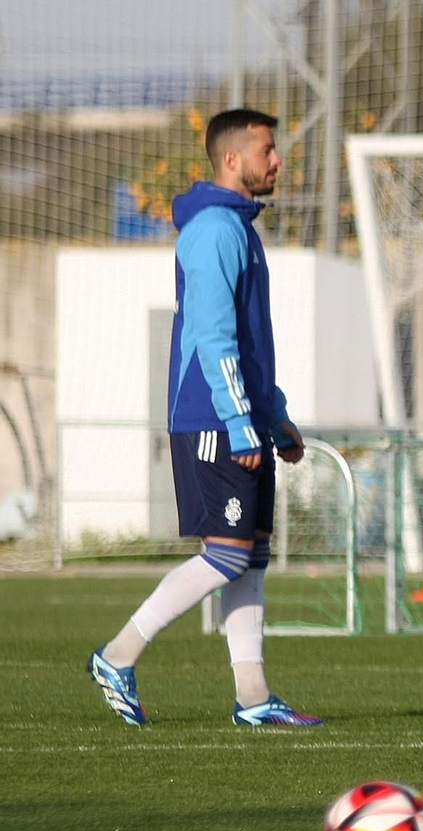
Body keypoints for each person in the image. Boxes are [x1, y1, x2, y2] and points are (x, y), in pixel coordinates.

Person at [87, 108, 321, 727]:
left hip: (238, 415)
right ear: (231, 160)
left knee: (250, 557)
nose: (277, 161)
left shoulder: (239, 229)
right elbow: (214, 339)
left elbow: (250, 344)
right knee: (225, 554)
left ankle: (253, 698)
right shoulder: (216, 229)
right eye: (267, 150)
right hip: (212, 418)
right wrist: (242, 425)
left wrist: (275, 417)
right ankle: (117, 655)